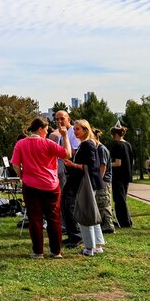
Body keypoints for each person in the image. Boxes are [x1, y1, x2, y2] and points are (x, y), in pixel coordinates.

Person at [11, 117, 71, 259]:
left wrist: (22, 175)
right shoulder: (48, 143)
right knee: (54, 218)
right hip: (50, 185)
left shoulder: (21, 144)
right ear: (40, 129)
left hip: (30, 185)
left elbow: (15, 164)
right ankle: (56, 251)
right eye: (46, 129)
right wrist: (65, 136)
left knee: (35, 219)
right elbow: (67, 154)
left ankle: (38, 251)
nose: (47, 132)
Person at [64, 119, 105, 256]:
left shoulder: (87, 144)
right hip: (88, 182)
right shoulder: (87, 144)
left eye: (78, 129)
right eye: (74, 129)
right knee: (91, 213)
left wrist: (73, 165)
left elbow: (92, 166)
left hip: (86, 183)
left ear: (85, 130)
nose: (75, 132)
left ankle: (89, 247)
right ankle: (97, 245)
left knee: (85, 214)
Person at [49, 110, 82, 247]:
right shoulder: (63, 134)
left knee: (69, 204)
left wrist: (62, 154)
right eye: (57, 119)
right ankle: (71, 234)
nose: (59, 122)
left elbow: (72, 153)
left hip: (74, 172)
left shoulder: (73, 132)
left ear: (69, 119)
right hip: (66, 172)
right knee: (64, 203)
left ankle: (77, 236)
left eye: (62, 118)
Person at [109, 123, 134, 228]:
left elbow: (118, 163)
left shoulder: (118, 145)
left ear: (115, 134)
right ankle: (127, 220)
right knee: (123, 199)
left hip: (118, 176)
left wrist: (107, 165)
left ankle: (124, 222)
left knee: (119, 200)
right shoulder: (128, 145)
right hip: (126, 175)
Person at [93, 129, 116, 234]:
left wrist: (99, 180)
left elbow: (103, 166)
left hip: (104, 180)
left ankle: (108, 227)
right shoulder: (97, 148)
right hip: (101, 180)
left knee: (104, 203)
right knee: (100, 202)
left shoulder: (101, 149)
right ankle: (103, 225)